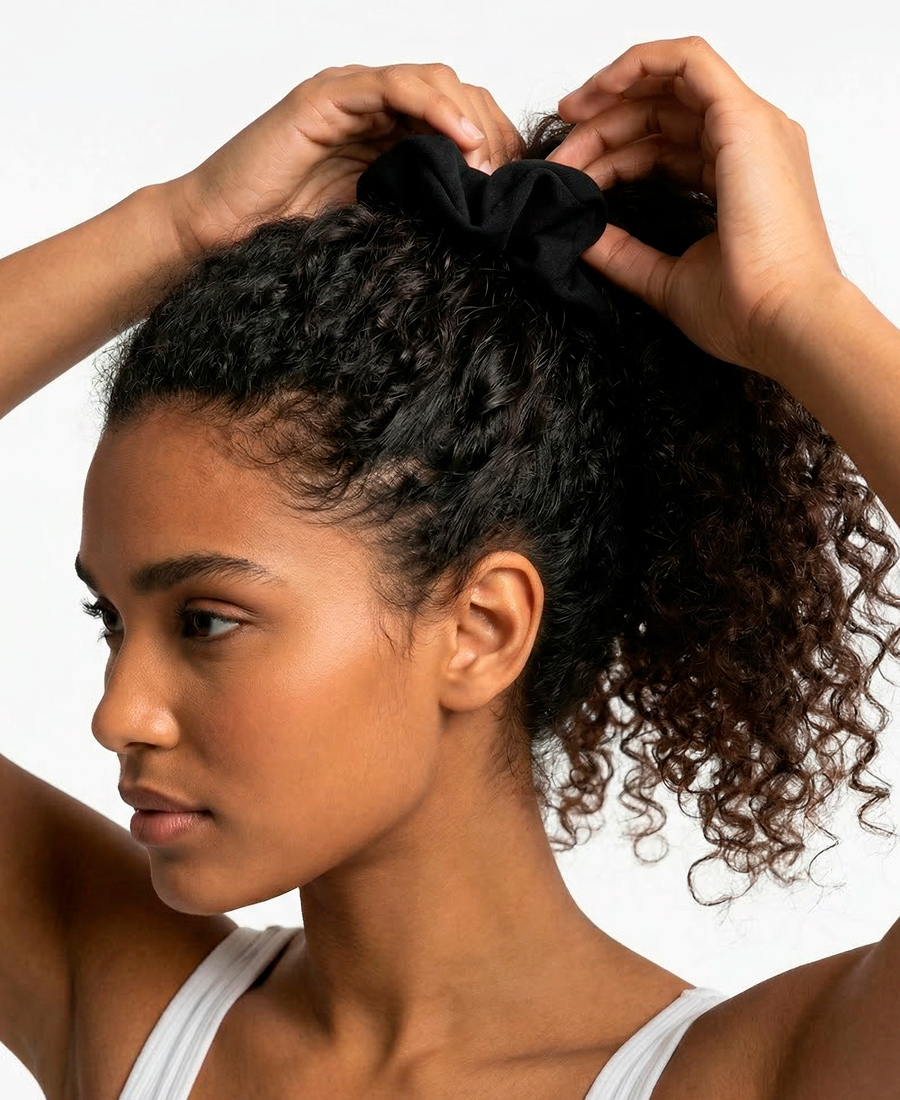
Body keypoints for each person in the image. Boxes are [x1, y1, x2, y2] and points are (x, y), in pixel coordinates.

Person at [1, 33, 899, 1100]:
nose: (118, 714)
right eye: (111, 620)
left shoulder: (759, 1077)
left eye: (206, 620)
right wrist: (177, 223)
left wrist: (803, 312)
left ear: (482, 627)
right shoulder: (126, 1011)